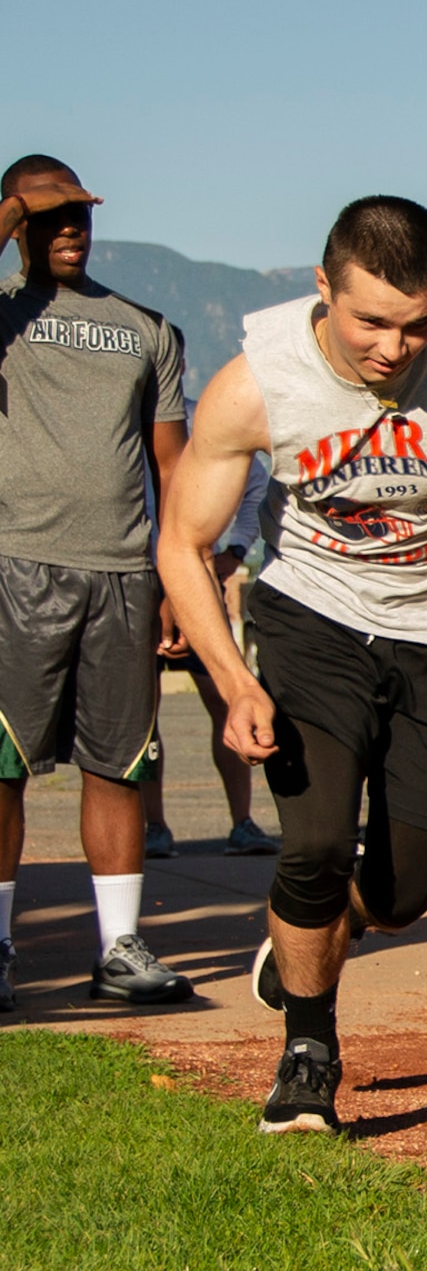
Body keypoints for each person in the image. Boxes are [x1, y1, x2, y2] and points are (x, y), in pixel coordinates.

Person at [158, 195, 427, 1132]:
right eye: (372, 322)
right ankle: (309, 1051)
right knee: (309, 847)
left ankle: (316, 931)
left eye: (416, 324)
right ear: (323, 289)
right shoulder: (257, 386)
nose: (394, 347)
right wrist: (234, 679)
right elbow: (181, 542)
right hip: (317, 620)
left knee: (397, 896)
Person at [0, 154, 195, 1012]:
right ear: (19, 223)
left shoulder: (146, 327)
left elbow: (173, 467)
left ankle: (119, 948)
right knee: (2, 765)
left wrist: (180, 585)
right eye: (52, 214)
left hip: (121, 574)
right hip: (15, 566)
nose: (72, 226)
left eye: (81, 212)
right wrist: (8, 212)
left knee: (117, 764)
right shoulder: (4, 316)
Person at [142, 451, 279, 859]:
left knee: (228, 699)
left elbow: (256, 486)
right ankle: (154, 827)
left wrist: (236, 549)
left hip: (197, 584)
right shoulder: (127, 423)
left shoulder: (197, 420)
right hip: (138, 585)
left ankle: (243, 822)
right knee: (141, 717)